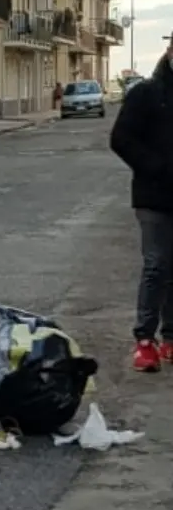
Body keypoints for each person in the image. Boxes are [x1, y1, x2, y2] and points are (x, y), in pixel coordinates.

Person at [111, 46, 173, 372]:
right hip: (153, 196)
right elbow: (120, 138)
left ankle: (170, 338)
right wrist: (156, 167)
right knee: (156, 265)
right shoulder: (147, 94)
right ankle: (145, 341)